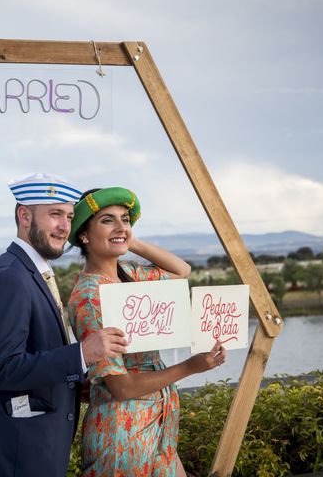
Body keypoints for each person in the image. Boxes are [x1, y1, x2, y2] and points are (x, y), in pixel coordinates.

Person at [0, 173, 129, 477]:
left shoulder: (33, 271)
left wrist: (77, 382)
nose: (65, 226)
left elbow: (37, 353)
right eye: (54, 215)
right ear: (24, 216)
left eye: (68, 216)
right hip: (16, 456)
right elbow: (4, 369)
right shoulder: (9, 278)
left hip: (36, 449)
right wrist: (81, 354)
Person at [67, 187, 226, 477]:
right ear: (84, 235)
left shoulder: (130, 274)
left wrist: (129, 240)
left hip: (157, 424)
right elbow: (121, 387)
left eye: (125, 219)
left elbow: (181, 271)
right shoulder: (90, 297)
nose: (120, 226)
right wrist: (191, 366)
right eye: (107, 220)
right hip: (122, 437)